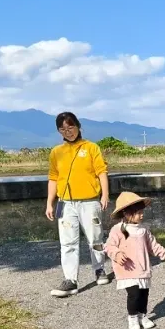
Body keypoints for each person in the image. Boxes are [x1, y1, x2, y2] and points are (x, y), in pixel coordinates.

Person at [45, 111, 110, 297]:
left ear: (78, 126)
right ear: (59, 131)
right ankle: (70, 280)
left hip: (89, 201)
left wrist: (104, 195)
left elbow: (102, 172)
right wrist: (50, 203)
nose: (68, 131)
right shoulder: (56, 152)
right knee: (67, 243)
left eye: (70, 127)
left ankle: (99, 269)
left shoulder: (91, 148)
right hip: (66, 203)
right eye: (63, 129)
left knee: (95, 238)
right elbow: (53, 178)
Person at [104, 191, 165, 329]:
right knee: (134, 294)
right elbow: (109, 246)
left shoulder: (143, 230)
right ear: (126, 213)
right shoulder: (118, 230)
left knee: (144, 294)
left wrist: (164, 253)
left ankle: (142, 315)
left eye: (142, 212)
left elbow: (153, 246)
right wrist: (117, 254)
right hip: (128, 270)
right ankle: (132, 317)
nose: (142, 215)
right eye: (138, 213)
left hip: (143, 269)